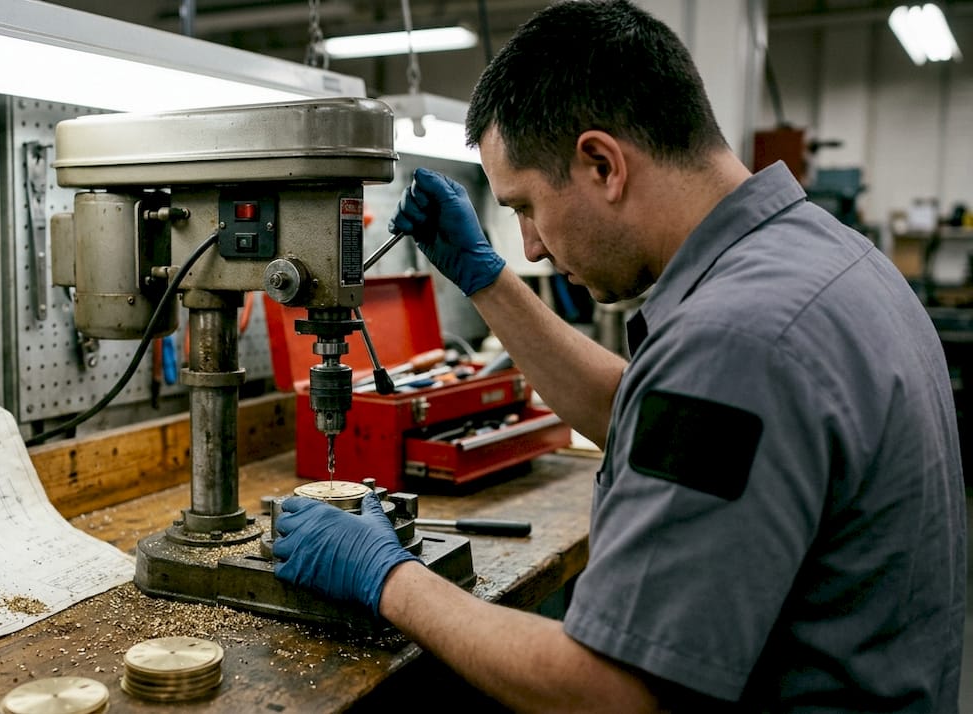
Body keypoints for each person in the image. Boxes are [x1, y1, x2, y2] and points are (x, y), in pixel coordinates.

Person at [270, 1, 966, 711]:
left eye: (526, 208)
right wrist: (486, 280)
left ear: (602, 163)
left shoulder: (736, 339)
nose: (532, 245)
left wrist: (388, 577)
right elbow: (650, 419)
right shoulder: (824, 259)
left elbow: (609, 692)